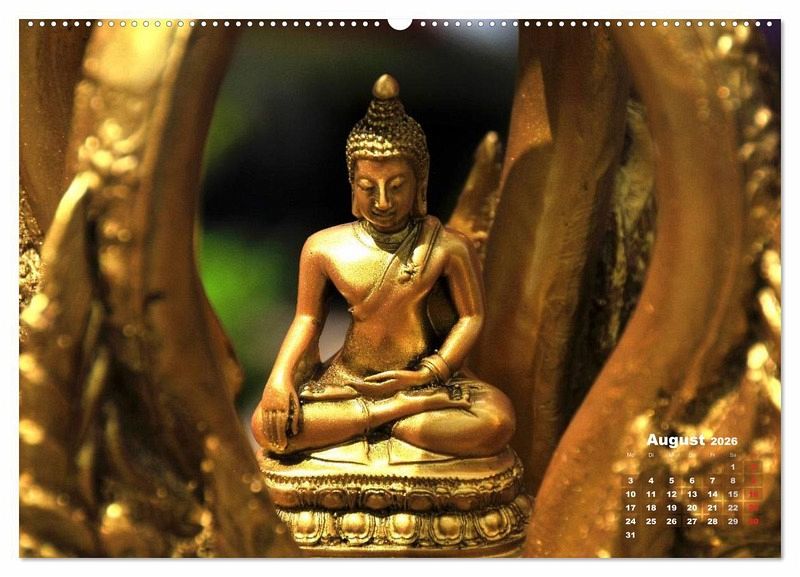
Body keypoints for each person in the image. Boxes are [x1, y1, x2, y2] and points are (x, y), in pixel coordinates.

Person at [251, 74, 514, 459]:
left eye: (396, 186)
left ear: (419, 183)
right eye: (368, 186)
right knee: (267, 426)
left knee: (496, 421)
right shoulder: (323, 248)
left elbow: (471, 317)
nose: (383, 201)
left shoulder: (447, 247)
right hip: (349, 381)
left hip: (425, 381)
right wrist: (279, 379)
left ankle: (369, 421)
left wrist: (431, 373)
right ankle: (393, 415)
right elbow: (307, 319)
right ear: (352, 184)